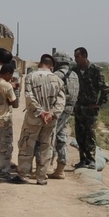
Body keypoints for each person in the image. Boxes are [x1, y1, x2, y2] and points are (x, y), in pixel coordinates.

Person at [17, 54, 66, 186]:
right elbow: (61, 101)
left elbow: (29, 96)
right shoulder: (57, 80)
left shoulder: (31, 77)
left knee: (26, 146)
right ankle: (41, 177)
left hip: (33, 118)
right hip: (50, 121)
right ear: (52, 66)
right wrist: (51, 114)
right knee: (46, 148)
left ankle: (24, 175)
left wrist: (40, 112)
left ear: (40, 63)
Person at [72, 48, 109, 168]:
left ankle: (91, 160)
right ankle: (82, 159)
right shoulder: (74, 71)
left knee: (90, 135)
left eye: (77, 57)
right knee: (79, 135)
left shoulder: (95, 70)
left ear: (84, 56)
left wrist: (98, 104)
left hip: (90, 110)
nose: (75, 59)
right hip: (78, 108)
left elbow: (106, 89)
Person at [50, 50, 79, 179]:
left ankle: (42, 167)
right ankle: (60, 168)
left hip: (58, 109)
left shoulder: (57, 75)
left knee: (48, 136)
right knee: (61, 137)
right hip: (69, 109)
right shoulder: (74, 75)